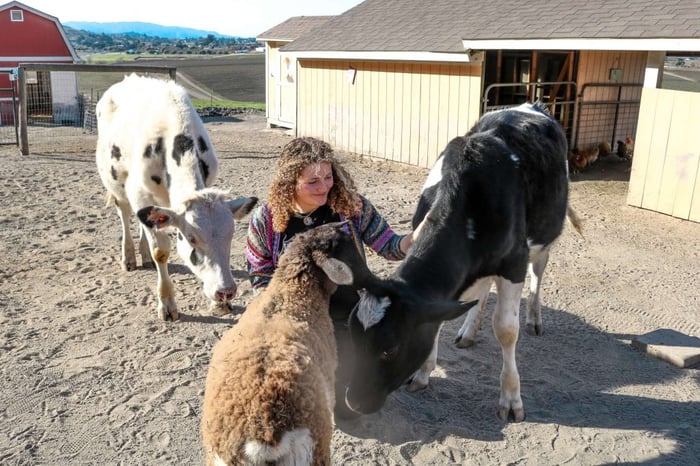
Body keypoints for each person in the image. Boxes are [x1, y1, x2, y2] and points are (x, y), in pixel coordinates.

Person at [245, 136, 421, 418]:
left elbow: (389, 246)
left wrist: (414, 239)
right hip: (298, 318)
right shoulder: (265, 219)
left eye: (328, 177)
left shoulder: (350, 206)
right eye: (312, 182)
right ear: (290, 182)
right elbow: (260, 274)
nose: (324, 186)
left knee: (345, 411)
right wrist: (281, 319)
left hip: (349, 315)